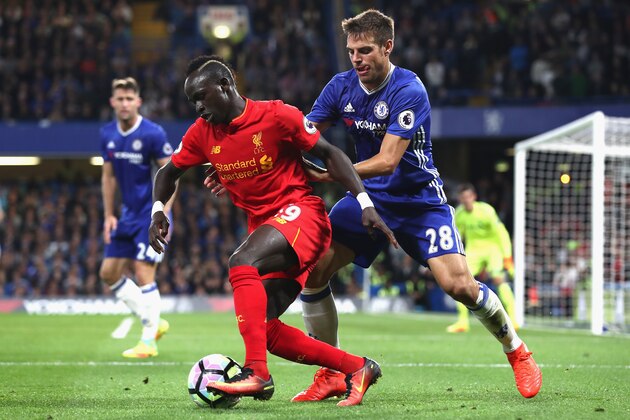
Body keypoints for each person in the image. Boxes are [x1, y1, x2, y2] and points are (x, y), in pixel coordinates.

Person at [290, 9, 542, 400]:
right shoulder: (340, 87)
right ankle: (332, 371)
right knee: (315, 271)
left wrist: (334, 172)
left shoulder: (409, 89)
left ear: (388, 47)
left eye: (365, 50)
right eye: (352, 51)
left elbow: (389, 159)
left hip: (419, 203)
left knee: (459, 286)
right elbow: (302, 134)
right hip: (367, 199)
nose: (356, 59)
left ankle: (517, 351)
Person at [149, 55, 398, 406]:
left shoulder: (277, 115)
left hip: (304, 216)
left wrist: (365, 203)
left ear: (225, 85)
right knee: (263, 327)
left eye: (201, 97)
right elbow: (167, 173)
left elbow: (330, 154)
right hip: (272, 231)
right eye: (193, 101)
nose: (198, 108)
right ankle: (357, 368)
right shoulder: (202, 134)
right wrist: (158, 210)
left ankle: (258, 375)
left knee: (241, 261)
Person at [99, 77, 174, 358]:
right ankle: (155, 320)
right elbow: (107, 177)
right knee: (108, 273)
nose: (125, 103)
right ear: (113, 102)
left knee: (143, 273)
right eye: (120, 99)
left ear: (138, 102)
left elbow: (170, 176)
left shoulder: (153, 133)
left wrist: (162, 212)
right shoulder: (107, 134)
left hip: (150, 215)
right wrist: (109, 214)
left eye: (130, 98)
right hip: (126, 216)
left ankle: (148, 341)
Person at [447, 183, 518, 333]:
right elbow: (458, 237)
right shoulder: (459, 214)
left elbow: (501, 233)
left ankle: (514, 319)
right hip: (473, 250)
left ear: (474, 197)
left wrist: (507, 256)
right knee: (460, 282)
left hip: (493, 249)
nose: (466, 200)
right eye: (463, 197)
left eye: (468, 197)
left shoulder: (486, 210)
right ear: (460, 199)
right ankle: (462, 322)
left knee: (499, 280)